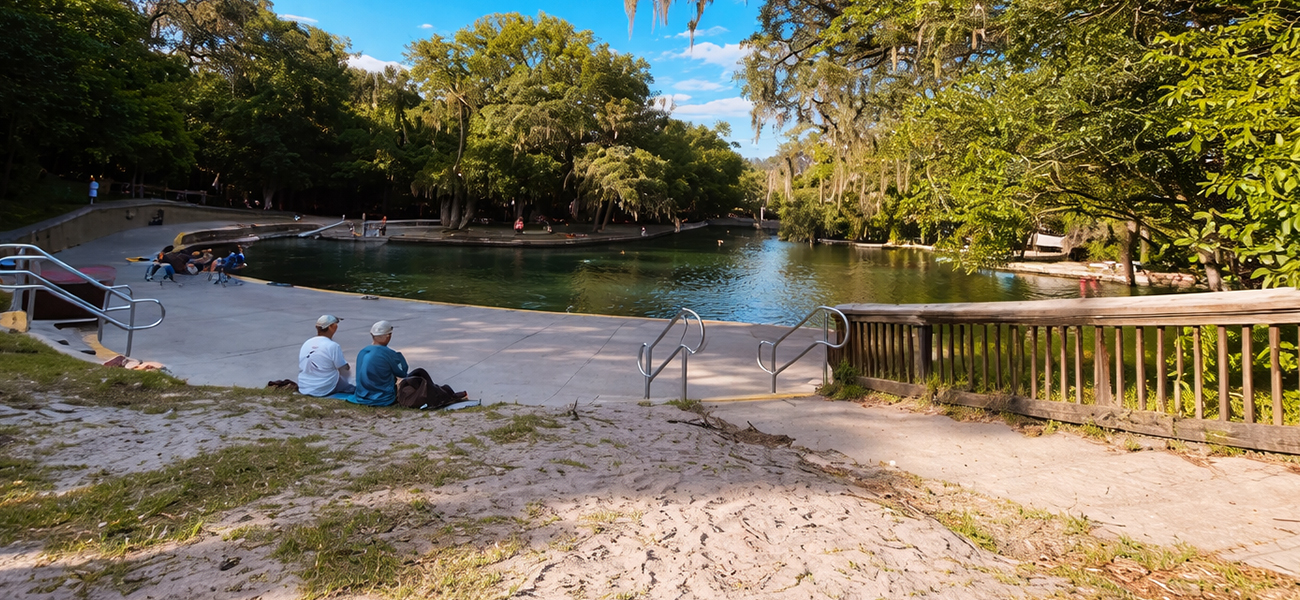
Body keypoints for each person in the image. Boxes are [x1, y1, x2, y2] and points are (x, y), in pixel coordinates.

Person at [351, 320, 409, 406]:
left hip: (361, 397)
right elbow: (402, 373)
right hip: (383, 398)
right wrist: (399, 356)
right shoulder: (389, 353)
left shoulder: (362, 352)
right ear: (388, 336)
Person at [298, 315, 353, 396]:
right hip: (323, 388)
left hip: (304, 386)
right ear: (331, 327)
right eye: (336, 324)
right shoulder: (332, 345)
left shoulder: (307, 343)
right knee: (349, 379)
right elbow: (344, 367)